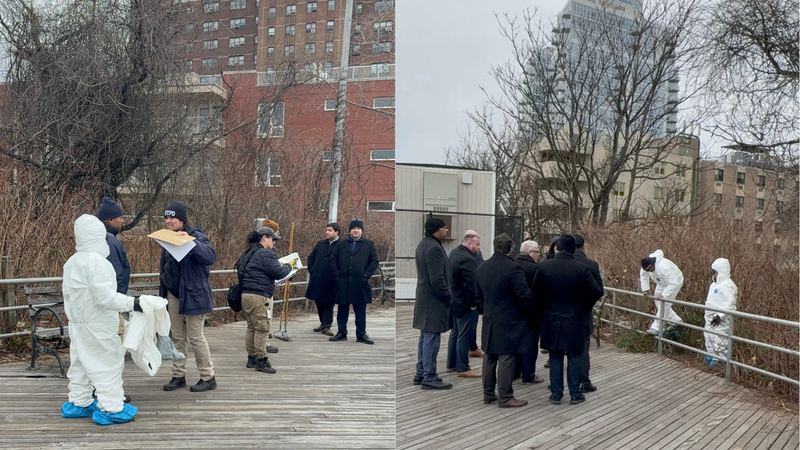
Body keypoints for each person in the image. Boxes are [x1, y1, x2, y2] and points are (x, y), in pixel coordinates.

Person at [61, 214, 139, 425]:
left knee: (80, 364)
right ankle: (112, 407)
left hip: (77, 324)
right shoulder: (98, 264)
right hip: (98, 324)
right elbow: (106, 298)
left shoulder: (72, 262)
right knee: (108, 364)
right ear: (96, 238)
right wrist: (133, 303)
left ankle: (79, 401)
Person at [532, 234, 603, 406]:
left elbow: (535, 294)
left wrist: (544, 310)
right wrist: (584, 306)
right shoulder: (581, 268)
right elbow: (596, 291)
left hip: (551, 318)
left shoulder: (543, 267)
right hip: (575, 317)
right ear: (573, 249)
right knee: (574, 357)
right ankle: (575, 393)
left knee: (555, 357)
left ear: (557, 248)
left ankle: (556, 394)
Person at [160, 201, 218, 392]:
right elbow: (165, 270)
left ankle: (208, 377)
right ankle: (178, 376)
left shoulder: (197, 236)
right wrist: (163, 295)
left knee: (196, 337)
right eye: (166, 217)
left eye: (172, 217)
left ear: (182, 219)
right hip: (174, 295)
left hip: (195, 295)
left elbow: (210, 257)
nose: (168, 221)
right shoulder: (166, 239)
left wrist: (190, 241)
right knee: (177, 337)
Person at [475, 234, 533, 408]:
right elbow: (523, 294)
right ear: (510, 249)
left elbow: (477, 295)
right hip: (510, 319)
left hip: (489, 318)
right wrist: (528, 312)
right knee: (507, 357)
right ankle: (506, 396)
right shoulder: (513, 269)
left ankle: (488, 394)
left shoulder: (482, 267)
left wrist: (485, 311)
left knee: (490, 356)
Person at [237, 226, 292, 374]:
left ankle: (252, 358)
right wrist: (289, 267)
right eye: (273, 239)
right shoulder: (265, 254)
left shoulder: (248, 253)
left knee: (251, 327)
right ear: (264, 238)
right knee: (262, 328)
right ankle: (262, 360)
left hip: (246, 295)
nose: (274, 242)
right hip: (260, 296)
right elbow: (278, 272)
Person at [412, 217, 452, 389]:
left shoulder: (423, 244)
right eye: (444, 228)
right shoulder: (434, 248)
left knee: (425, 337)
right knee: (431, 339)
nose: (447, 231)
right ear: (436, 230)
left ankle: (421, 372)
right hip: (433, 301)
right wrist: (448, 295)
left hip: (424, 297)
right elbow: (437, 279)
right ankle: (429, 376)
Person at [327, 219, 379, 344]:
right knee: (342, 309)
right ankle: (341, 332)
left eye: (358, 228)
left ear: (362, 230)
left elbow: (374, 261)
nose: (355, 231)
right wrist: (337, 274)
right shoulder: (341, 244)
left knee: (360, 310)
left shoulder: (369, 244)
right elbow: (332, 259)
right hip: (343, 281)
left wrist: (366, 275)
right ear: (350, 230)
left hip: (360, 282)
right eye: (353, 228)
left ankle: (361, 334)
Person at [444, 233, 481, 379]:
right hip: (465, 304)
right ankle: (463, 367)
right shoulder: (468, 260)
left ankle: (451, 364)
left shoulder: (454, 253)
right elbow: (471, 285)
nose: (479, 247)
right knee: (464, 336)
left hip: (454, 301)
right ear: (470, 243)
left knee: (455, 333)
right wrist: (473, 304)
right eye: (477, 244)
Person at [96, 197, 131, 340]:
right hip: (112, 302)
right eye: (120, 217)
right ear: (110, 220)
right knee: (116, 338)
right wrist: (118, 301)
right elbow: (115, 275)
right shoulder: (111, 242)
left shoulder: (99, 239)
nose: (122, 220)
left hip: (104, 302)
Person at [573, 235, 603, 393]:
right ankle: (584, 380)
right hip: (584, 312)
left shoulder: (561, 263)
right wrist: (587, 305)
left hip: (562, 314)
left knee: (560, 351)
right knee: (584, 349)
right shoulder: (591, 264)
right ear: (583, 247)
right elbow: (599, 290)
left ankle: (558, 384)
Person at [305, 222, 342, 337]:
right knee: (318, 301)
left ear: (336, 232)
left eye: (330, 230)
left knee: (328, 303)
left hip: (331, 279)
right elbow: (311, 257)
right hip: (318, 278)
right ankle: (322, 323)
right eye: (326, 230)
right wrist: (313, 269)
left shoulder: (342, 245)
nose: (327, 232)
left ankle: (327, 325)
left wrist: (337, 274)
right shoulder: (321, 244)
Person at [515, 240, 543, 385]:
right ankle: (529, 374)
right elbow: (539, 292)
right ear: (531, 253)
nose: (539, 254)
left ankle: (515, 371)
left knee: (516, 343)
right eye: (537, 251)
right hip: (531, 312)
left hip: (514, 312)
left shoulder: (513, 265)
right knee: (530, 345)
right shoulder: (534, 269)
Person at [640, 249, 684, 335]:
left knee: (665, 303)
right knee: (657, 301)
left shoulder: (664, 266)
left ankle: (656, 327)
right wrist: (645, 289)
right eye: (648, 270)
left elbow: (673, 282)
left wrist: (664, 294)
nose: (650, 271)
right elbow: (643, 276)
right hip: (661, 282)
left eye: (651, 269)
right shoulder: (645, 266)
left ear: (653, 264)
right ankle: (676, 321)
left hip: (675, 282)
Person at [704, 258, 738, 368]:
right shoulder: (714, 285)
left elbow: (730, 303)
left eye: (715, 272)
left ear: (721, 272)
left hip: (721, 319)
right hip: (710, 317)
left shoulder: (729, 285)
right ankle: (710, 355)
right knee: (708, 336)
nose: (714, 274)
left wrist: (720, 316)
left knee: (720, 338)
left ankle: (719, 360)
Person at [462, 229, 484, 358]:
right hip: (469, 295)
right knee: (467, 326)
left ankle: (473, 347)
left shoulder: (477, 253)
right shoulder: (466, 257)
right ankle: (465, 357)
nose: (478, 246)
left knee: (473, 323)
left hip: (473, 292)